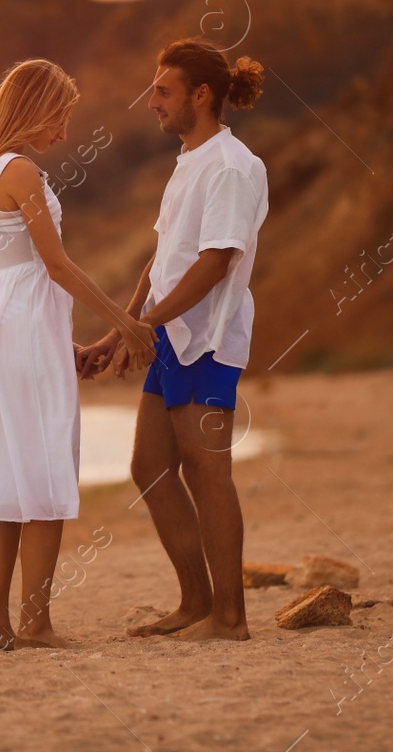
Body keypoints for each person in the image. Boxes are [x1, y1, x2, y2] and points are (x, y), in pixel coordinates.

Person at [0, 59, 157, 651]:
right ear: (34, 110)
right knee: (40, 469)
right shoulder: (23, 171)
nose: (63, 133)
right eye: (59, 118)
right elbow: (55, 266)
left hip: (6, 322)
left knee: (8, 474)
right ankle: (34, 623)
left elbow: (22, 274)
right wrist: (126, 324)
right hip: (22, 322)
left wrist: (63, 345)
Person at [79, 38, 268, 641]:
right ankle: (195, 603)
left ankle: (230, 618)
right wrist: (120, 332)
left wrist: (145, 325)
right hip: (169, 336)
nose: (151, 101)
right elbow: (161, 260)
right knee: (151, 467)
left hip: (209, 338)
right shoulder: (189, 161)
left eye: (163, 90)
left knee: (208, 473)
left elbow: (215, 262)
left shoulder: (234, 167)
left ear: (201, 95)